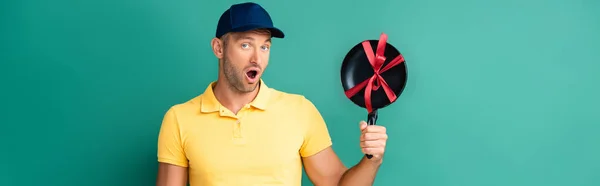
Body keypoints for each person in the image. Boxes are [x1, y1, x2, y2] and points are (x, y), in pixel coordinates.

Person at [155, 2, 389, 186]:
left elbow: (337, 183)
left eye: (265, 46)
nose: (257, 57)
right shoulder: (179, 119)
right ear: (219, 48)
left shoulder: (299, 111)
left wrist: (373, 161)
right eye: (246, 45)